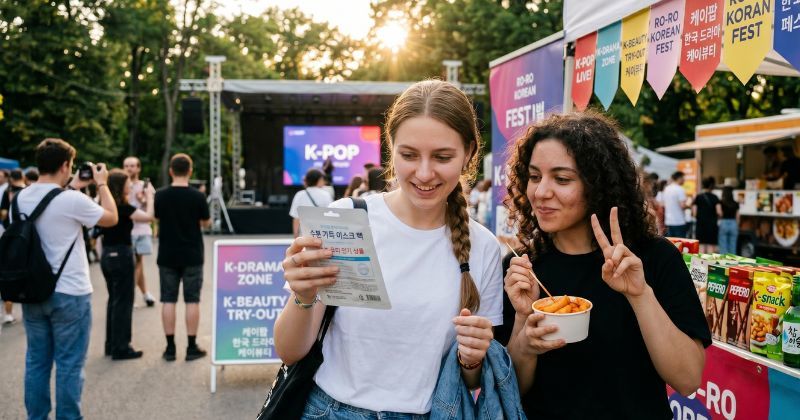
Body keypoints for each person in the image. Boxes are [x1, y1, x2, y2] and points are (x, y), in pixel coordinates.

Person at [275, 80, 503, 417]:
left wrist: (472, 359)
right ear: (391, 148)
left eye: (442, 157)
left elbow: (471, 383)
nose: (424, 173)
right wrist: (303, 295)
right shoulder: (346, 220)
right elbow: (290, 352)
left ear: (469, 153)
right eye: (409, 155)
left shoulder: (483, 247)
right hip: (330, 410)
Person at [498, 112, 710, 419]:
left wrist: (640, 295)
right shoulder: (521, 267)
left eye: (562, 179)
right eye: (534, 176)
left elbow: (688, 379)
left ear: (597, 184)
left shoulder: (652, 258)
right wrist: (524, 334)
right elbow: (511, 390)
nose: (541, 192)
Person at [15, 138, 117, 420]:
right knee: (70, 364)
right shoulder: (72, 200)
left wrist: (73, 187)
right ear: (65, 165)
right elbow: (111, 218)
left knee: (36, 362)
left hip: (32, 291)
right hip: (70, 292)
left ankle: (36, 417)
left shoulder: (20, 197)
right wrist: (103, 184)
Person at [154, 153, 211, 361]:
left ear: (171, 170)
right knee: (192, 300)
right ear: (190, 171)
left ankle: (170, 349)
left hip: (167, 253)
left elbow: (157, 218)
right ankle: (191, 347)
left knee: (168, 299)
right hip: (192, 253)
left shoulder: (159, 195)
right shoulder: (198, 196)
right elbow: (206, 223)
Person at [101, 169, 155, 360]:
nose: (131, 185)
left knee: (113, 300)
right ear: (120, 186)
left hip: (106, 255)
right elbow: (149, 217)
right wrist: (150, 197)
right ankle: (122, 347)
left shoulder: (106, 206)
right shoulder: (122, 208)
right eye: (127, 183)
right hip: (122, 254)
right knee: (123, 302)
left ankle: (111, 344)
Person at [123, 156, 156, 307]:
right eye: (126, 166)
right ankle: (145, 293)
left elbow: (153, 208)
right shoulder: (120, 185)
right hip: (126, 230)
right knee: (136, 263)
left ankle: (130, 295)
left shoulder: (145, 186)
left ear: (138, 168)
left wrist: (143, 199)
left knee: (137, 262)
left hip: (142, 229)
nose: (129, 168)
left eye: (132, 166)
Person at [288, 168, 334, 237]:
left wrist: (296, 236)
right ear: (319, 180)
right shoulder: (326, 195)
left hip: (304, 235)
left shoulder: (300, 195)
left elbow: (296, 218)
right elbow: (330, 216)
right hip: (321, 234)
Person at [692, 176, 720, 254]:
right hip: (712, 225)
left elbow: (694, 213)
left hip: (701, 224)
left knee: (701, 245)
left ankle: (701, 265)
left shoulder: (698, 197)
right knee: (711, 246)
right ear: (711, 186)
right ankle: (710, 265)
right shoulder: (715, 197)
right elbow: (719, 212)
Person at [663, 171, 690, 237]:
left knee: (671, 244)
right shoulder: (680, 189)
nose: (684, 180)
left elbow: (664, 203)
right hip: (679, 221)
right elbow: (683, 206)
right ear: (679, 178)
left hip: (668, 221)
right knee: (680, 245)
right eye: (683, 178)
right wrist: (690, 205)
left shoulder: (667, 189)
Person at [717, 186, 740, 255]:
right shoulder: (735, 203)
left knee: (723, 245)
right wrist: (737, 225)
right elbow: (738, 216)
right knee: (733, 246)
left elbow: (720, 213)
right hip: (733, 223)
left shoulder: (721, 202)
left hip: (724, 222)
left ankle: (723, 263)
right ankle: (732, 263)